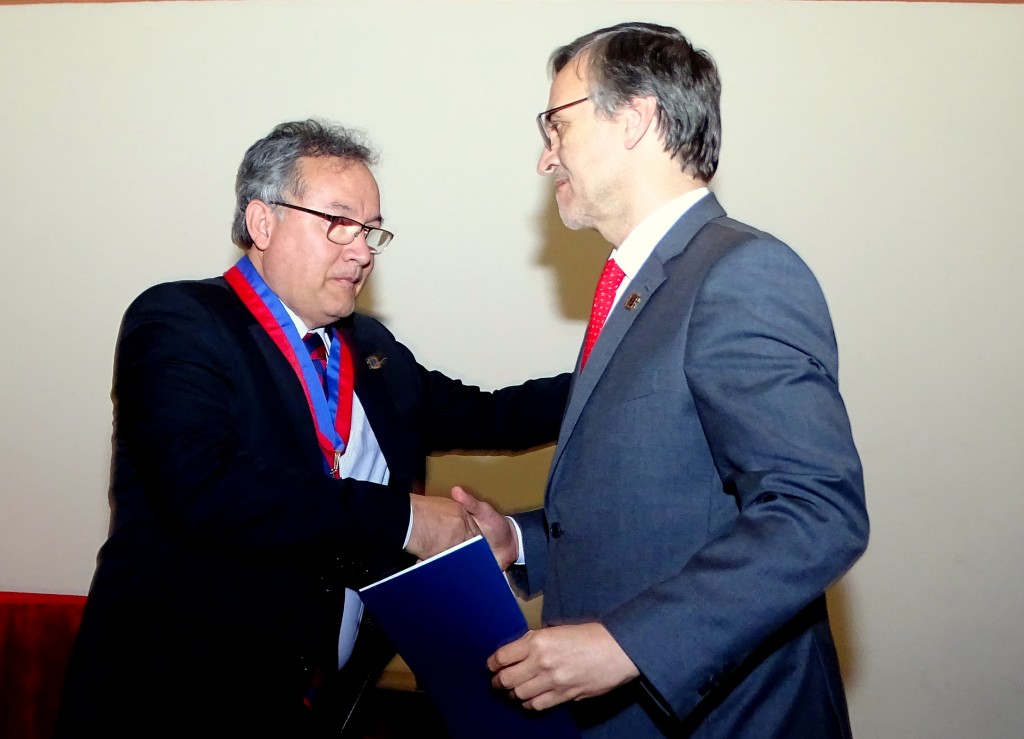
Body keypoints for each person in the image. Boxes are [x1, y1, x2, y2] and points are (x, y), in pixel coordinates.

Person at [55, 119, 570, 739]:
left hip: (318, 703)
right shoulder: (180, 321)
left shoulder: (371, 350)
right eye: (339, 224)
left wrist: (619, 371)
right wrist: (405, 519)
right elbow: (207, 488)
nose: (362, 250)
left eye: (371, 230)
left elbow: (493, 415)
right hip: (172, 700)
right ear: (262, 222)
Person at [454, 21, 869, 738]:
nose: (545, 159)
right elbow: (664, 509)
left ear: (636, 118)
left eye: (556, 126)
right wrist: (522, 542)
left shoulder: (740, 273)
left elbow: (816, 511)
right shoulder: (635, 283)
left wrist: (626, 644)